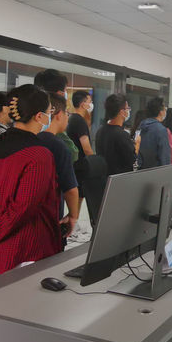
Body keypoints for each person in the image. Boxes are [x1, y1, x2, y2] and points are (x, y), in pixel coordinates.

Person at [0, 84, 61, 278]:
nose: (49, 116)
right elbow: (24, 208)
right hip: (26, 249)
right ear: (39, 116)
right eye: (49, 112)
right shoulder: (39, 155)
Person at [37, 92, 80, 246]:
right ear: (59, 114)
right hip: (50, 216)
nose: (68, 118)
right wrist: (73, 216)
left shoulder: (31, 139)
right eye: (67, 113)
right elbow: (70, 189)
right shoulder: (58, 146)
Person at [34, 69, 78, 164]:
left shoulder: (29, 115)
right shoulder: (55, 122)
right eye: (65, 90)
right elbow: (72, 152)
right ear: (59, 94)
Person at [66, 90, 94, 241]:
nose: (91, 104)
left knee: (79, 195)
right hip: (80, 164)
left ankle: (74, 223)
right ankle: (73, 226)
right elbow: (86, 147)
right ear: (83, 104)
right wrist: (95, 162)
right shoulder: (80, 121)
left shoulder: (72, 118)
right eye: (89, 101)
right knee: (78, 196)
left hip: (75, 164)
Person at [95, 94, 136, 176]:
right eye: (127, 108)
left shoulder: (100, 131)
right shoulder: (122, 135)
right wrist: (137, 144)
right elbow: (132, 159)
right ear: (122, 112)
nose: (128, 110)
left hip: (104, 177)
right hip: (120, 179)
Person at [137, 97, 170, 169]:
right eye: (165, 109)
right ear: (160, 111)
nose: (165, 112)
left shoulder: (142, 126)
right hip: (156, 171)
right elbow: (164, 157)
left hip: (142, 170)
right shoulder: (161, 130)